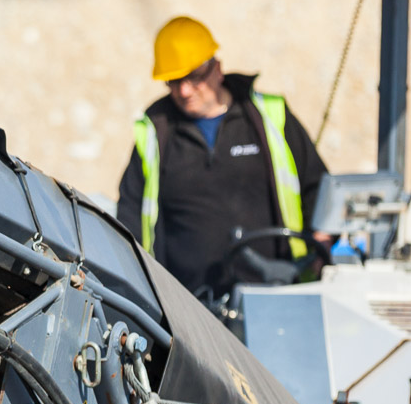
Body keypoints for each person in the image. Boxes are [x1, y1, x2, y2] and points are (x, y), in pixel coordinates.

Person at [117, 16, 329, 298]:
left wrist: (321, 247)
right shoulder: (156, 131)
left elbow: (319, 187)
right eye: (173, 80)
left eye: (194, 76)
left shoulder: (270, 117)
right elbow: (131, 214)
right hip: (189, 307)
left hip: (277, 292)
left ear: (217, 68)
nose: (184, 90)